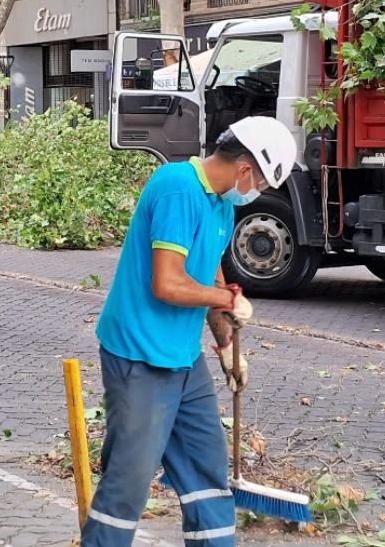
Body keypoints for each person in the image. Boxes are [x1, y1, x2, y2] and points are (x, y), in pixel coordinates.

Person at [82, 116, 298, 547]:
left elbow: (210, 274)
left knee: (206, 472)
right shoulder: (178, 187)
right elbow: (169, 283)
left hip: (183, 359)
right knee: (130, 479)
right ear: (244, 170)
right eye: (259, 182)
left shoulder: (220, 204)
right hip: (139, 355)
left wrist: (227, 346)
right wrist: (229, 302)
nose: (257, 193)